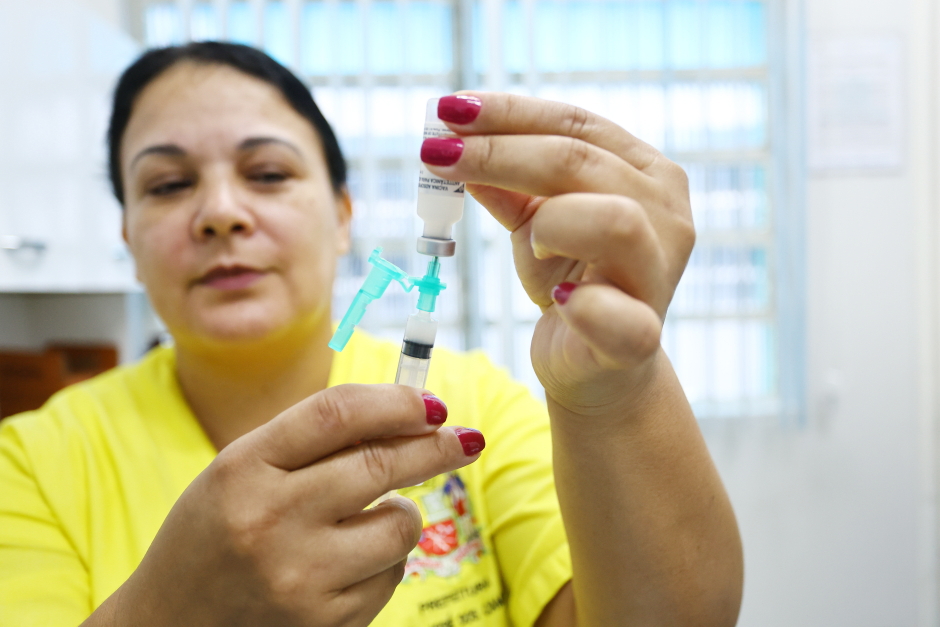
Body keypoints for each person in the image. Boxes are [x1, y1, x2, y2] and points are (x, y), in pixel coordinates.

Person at [0, 42, 743, 627]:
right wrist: (166, 610)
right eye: (167, 185)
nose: (221, 213)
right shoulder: (32, 462)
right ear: (127, 240)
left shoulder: (473, 404)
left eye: (267, 173)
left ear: (342, 216)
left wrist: (615, 392)